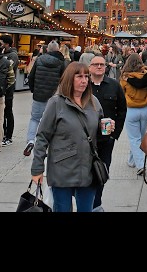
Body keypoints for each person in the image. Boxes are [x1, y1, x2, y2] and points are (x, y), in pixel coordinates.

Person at [31, 62, 105, 212]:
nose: (84, 80)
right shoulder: (56, 103)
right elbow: (42, 137)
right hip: (62, 169)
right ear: (69, 79)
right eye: (79, 77)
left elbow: (98, 133)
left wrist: (105, 129)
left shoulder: (93, 102)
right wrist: (37, 169)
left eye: (86, 76)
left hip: (88, 169)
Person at [88, 54, 127, 212]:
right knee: (85, 173)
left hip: (105, 140)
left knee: (102, 172)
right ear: (90, 67)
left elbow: (122, 110)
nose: (99, 67)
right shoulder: (84, 85)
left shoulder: (114, 85)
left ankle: (96, 204)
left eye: (102, 65)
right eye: (96, 64)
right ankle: (87, 203)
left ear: (106, 67)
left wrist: (114, 134)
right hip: (86, 139)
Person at [23, 40, 67, 156]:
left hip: (39, 94)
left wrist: (33, 89)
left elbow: (31, 76)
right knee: (50, 120)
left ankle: (31, 140)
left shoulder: (39, 60)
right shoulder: (61, 62)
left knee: (35, 118)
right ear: (58, 50)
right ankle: (45, 144)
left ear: (47, 50)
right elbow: (64, 79)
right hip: (53, 95)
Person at [119, 53, 147, 175]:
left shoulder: (125, 77)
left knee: (134, 138)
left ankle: (139, 164)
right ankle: (132, 160)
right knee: (140, 137)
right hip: (146, 108)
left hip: (131, 108)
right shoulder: (146, 74)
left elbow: (121, 94)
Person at [0, 34, 19, 147]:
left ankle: (9, 136)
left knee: (8, 111)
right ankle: (1, 133)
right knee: (0, 112)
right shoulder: (1, 53)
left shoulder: (13, 55)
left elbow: (8, 68)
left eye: (1, 42)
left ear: (6, 44)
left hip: (8, 86)